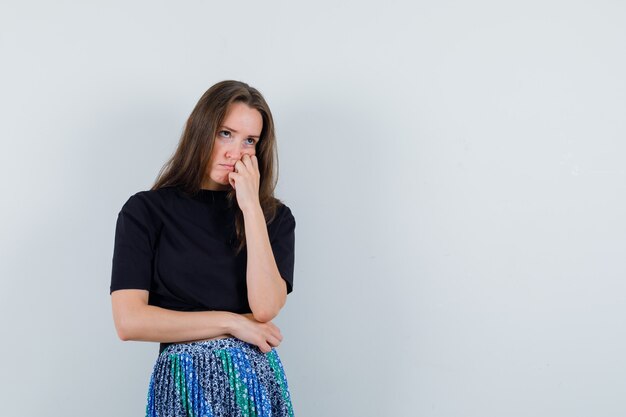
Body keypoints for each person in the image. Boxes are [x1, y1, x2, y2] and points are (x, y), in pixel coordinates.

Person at [109, 80, 296, 417]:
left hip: (253, 386)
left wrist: (251, 207)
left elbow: (265, 307)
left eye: (249, 140)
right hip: (184, 384)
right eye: (226, 133)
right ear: (199, 129)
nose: (235, 151)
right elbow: (130, 321)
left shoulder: (274, 218)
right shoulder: (146, 211)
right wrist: (233, 322)